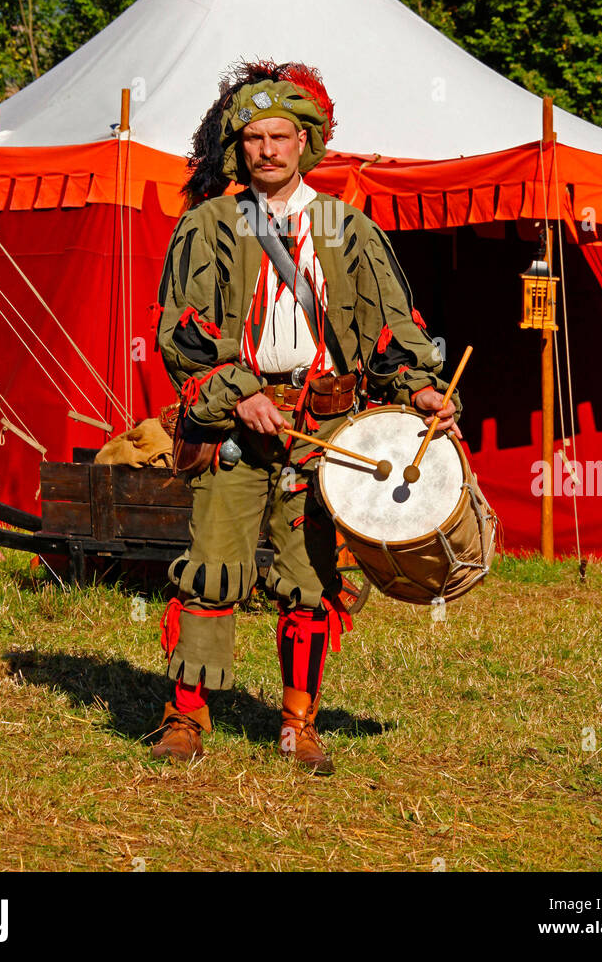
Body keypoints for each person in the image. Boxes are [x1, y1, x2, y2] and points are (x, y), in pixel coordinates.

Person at [151, 59, 460, 774]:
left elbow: (391, 327)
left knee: (311, 580)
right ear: (239, 148)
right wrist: (237, 391)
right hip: (234, 428)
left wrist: (422, 389)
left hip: (322, 430)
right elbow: (184, 330)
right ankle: (186, 717)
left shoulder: (344, 225)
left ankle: (299, 722)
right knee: (212, 573)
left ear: (305, 141)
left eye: (281, 136)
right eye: (254, 137)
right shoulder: (211, 224)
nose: (268, 149)